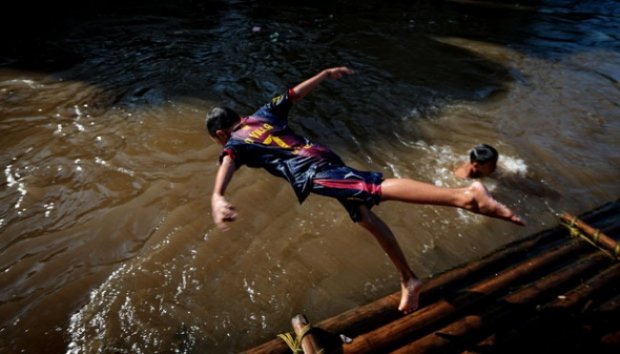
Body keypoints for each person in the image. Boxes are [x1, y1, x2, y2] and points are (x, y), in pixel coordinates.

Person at [207, 67, 524, 314]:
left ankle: (465, 196)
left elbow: (228, 163)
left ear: (221, 133)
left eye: (218, 139)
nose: (222, 143)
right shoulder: (263, 113)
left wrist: (217, 196)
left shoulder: (234, 143)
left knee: (375, 187)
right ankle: (409, 278)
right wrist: (326, 74)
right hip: (322, 155)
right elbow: (294, 93)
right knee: (364, 217)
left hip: (313, 172)